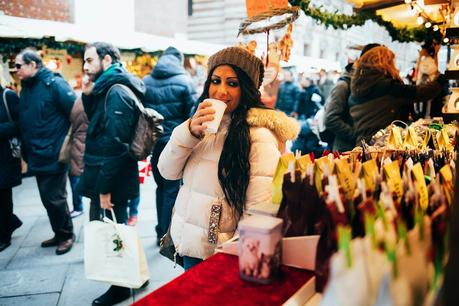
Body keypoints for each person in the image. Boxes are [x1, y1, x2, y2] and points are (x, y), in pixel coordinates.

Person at [158, 46, 300, 270]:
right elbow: (167, 171)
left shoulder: (259, 135)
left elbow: (259, 208)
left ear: (247, 88)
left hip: (221, 252)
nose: (220, 91)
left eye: (232, 83)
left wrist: (234, 255)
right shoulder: (199, 124)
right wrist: (189, 132)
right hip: (187, 242)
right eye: (215, 81)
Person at [78, 42, 143, 306]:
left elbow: (115, 144)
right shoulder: (107, 88)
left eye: (89, 60)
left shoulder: (116, 91)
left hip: (111, 178)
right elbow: (99, 124)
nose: (85, 66)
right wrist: (87, 96)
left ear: (106, 60)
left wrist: (104, 189)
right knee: (114, 230)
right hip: (105, 174)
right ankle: (134, 275)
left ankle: (120, 287)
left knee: (111, 234)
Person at [16, 48, 75, 255]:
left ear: (33, 65)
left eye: (18, 65)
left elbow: (75, 114)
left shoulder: (55, 84)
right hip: (36, 153)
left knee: (55, 198)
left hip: (53, 153)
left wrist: (65, 144)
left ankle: (67, 235)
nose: (16, 70)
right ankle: (59, 233)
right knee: (47, 198)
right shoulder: (28, 88)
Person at [143, 46, 197, 244]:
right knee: (172, 189)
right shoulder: (185, 82)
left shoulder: (146, 81)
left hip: (154, 143)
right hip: (175, 143)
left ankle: (160, 229)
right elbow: (192, 115)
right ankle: (166, 233)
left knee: (160, 187)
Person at [349, 46, 446, 145]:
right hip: (382, 146)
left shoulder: (358, 85)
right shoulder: (387, 87)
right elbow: (421, 92)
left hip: (362, 144)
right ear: (385, 63)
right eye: (392, 62)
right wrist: (440, 79)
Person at [324, 43, 380, 152]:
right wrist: (355, 134)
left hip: (355, 148)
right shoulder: (343, 86)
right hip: (344, 149)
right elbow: (331, 118)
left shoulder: (362, 85)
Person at [0, 84, 23, 252]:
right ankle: (11, 222)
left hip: (6, 157)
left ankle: (4, 236)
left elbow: (20, 124)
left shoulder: (7, 96)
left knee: (3, 196)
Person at [68, 96, 88, 218]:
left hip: (77, 141)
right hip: (85, 140)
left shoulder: (77, 102)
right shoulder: (89, 101)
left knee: (75, 176)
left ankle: (78, 206)